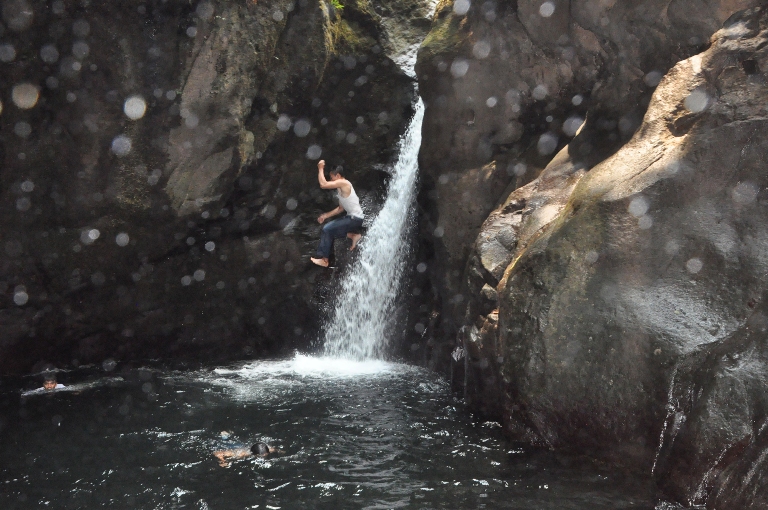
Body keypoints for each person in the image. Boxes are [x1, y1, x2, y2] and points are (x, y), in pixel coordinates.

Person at [310, 160, 364, 267]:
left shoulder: (345, 183)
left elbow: (323, 184)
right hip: (353, 219)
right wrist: (325, 216)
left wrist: (320, 168)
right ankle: (354, 236)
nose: (331, 180)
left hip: (354, 218)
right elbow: (340, 209)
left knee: (326, 229)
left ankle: (324, 260)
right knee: (329, 233)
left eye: (332, 177)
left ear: (338, 175)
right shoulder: (341, 190)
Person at [213, 442, 279, 467]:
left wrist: (281, 451)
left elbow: (274, 449)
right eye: (261, 456)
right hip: (234, 447)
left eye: (266, 455)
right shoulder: (242, 454)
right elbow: (217, 453)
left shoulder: (268, 449)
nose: (264, 457)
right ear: (254, 454)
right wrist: (222, 461)